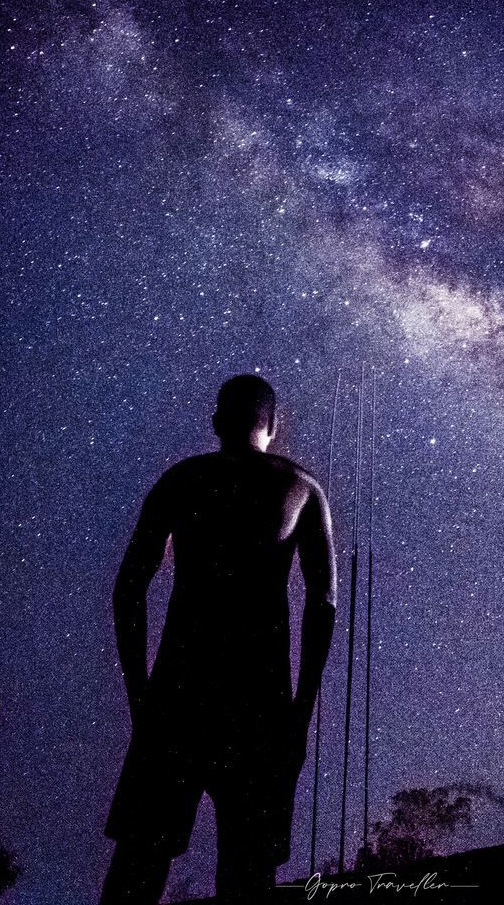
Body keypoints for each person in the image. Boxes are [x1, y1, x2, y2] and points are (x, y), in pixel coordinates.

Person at [100, 374, 338, 904]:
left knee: (137, 865)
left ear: (216, 422)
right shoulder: (300, 487)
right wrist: (300, 710)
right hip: (261, 700)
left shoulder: (182, 479)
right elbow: (323, 604)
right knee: (248, 868)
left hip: (177, 693)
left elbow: (129, 588)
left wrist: (141, 691)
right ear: (272, 426)